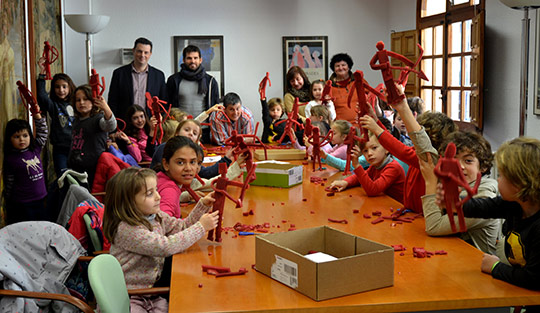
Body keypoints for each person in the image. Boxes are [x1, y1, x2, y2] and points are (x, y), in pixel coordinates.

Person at [103, 167, 219, 312]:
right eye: (150, 194)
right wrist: (201, 227)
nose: (158, 196)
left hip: (151, 292)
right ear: (128, 202)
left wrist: (202, 206)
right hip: (128, 295)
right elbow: (165, 247)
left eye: (156, 190)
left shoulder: (155, 216)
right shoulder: (128, 229)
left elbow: (181, 226)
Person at [433, 137, 540, 293]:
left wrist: (496, 267)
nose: (497, 179)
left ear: (520, 183)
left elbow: (534, 279)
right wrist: (455, 204)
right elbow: (484, 207)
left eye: (502, 176)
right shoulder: (516, 205)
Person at [419, 131, 500, 254]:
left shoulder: (485, 199)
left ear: (482, 166)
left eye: (468, 161)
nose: (460, 166)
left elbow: (434, 227)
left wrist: (430, 182)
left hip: (478, 266)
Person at [328, 131, 405, 203]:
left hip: (397, 207)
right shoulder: (375, 166)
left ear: (386, 149)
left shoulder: (393, 168)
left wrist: (357, 166)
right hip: (383, 203)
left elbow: (373, 190)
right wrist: (345, 182)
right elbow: (358, 178)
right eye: (365, 151)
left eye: (374, 148)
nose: (369, 153)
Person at [166, 45, 220, 143]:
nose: (192, 61)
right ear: (183, 60)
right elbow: (168, 107)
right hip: (180, 130)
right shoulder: (173, 80)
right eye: (189, 58)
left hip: (203, 131)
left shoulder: (210, 81)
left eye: (195, 58)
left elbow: (215, 107)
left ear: (200, 60)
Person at [2, 114, 49, 224]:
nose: (22, 139)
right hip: (24, 203)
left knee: (43, 226)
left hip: (41, 198)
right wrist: (9, 200)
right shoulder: (11, 159)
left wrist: (38, 116)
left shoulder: (35, 149)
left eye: (25, 135)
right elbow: (9, 182)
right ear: (10, 139)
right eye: (17, 137)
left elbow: (43, 132)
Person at [67, 85, 117, 188]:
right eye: (78, 100)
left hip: (94, 169)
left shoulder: (98, 119)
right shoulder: (76, 121)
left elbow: (110, 125)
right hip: (76, 168)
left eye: (85, 99)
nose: (81, 103)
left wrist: (106, 108)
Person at [108, 37, 167, 120]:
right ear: (133, 51)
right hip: (126, 123)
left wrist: (160, 118)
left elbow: (163, 102)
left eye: (146, 52)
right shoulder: (119, 73)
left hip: (150, 123)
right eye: (139, 51)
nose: (142, 55)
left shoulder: (159, 76)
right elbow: (113, 101)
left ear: (150, 54)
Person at [36, 57, 76, 176]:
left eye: (64, 86)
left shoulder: (77, 104)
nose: (61, 90)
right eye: (57, 87)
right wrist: (42, 75)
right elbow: (42, 97)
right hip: (60, 149)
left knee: (77, 177)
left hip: (77, 149)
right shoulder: (54, 105)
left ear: (70, 87)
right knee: (62, 177)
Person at [329, 53, 358, 125]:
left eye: (343, 65)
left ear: (349, 67)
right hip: (340, 127)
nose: (341, 68)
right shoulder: (328, 86)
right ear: (334, 69)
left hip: (360, 125)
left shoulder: (359, 81)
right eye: (337, 66)